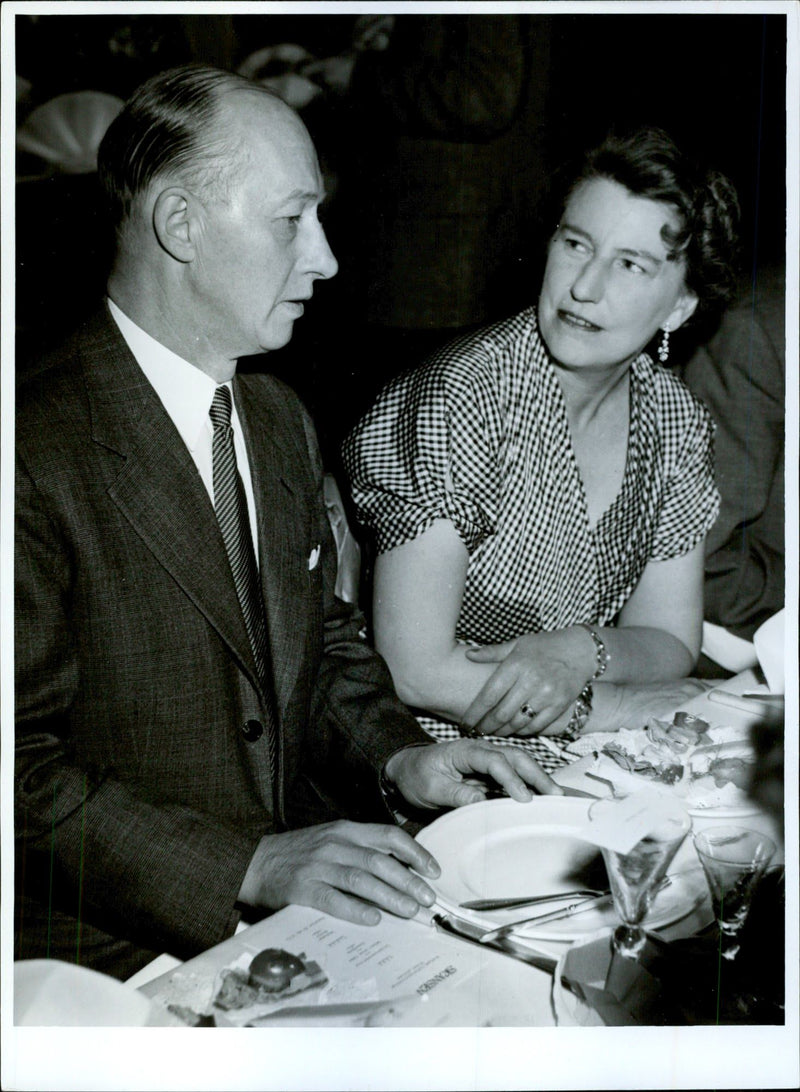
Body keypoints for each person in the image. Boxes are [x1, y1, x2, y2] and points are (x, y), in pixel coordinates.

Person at [14, 64, 559, 982]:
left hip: (292, 916)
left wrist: (399, 759)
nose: (326, 259)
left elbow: (322, 641)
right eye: (292, 219)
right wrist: (249, 866)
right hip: (101, 957)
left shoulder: (275, 417)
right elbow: (19, 770)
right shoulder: (33, 448)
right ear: (181, 225)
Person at [343, 128, 740, 769]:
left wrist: (582, 649)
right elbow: (415, 670)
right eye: (576, 243)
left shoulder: (675, 419)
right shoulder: (463, 395)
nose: (584, 287)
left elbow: (670, 640)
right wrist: (608, 706)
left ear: (680, 307)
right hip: (437, 747)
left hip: (591, 743)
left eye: (631, 264)